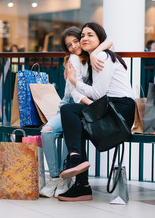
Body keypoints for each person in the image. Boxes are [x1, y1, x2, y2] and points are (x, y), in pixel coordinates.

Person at [57, 22, 135, 201]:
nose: (84, 38)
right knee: (76, 125)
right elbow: (109, 42)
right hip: (111, 107)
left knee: (69, 111)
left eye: (90, 35)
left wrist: (73, 80)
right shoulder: (98, 54)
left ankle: (77, 169)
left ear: (99, 38)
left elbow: (98, 94)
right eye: (82, 35)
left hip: (119, 111)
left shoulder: (102, 56)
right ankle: (81, 183)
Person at [39, 27, 113, 198]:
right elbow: (74, 92)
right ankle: (57, 176)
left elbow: (109, 41)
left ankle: (66, 177)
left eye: (75, 41)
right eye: (68, 45)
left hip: (81, 106)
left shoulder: (93, 55)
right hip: (71, 103)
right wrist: (93, 106)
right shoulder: (73, 59)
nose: (73, 46)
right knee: (47, 131)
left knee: (69, 134)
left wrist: (96, 52)